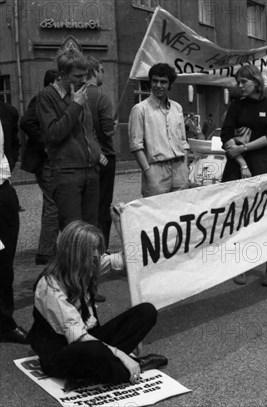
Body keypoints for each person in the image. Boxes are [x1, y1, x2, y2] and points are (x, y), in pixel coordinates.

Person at [27, 221, 167, 389]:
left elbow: (127, 258)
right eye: (91, 250)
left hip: (88, 338)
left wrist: (121, 224)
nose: (96, 255)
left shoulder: (89, 265)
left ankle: (90, 373)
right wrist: (122, 354)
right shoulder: (50, 285)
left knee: (146, 312)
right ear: (74, 253)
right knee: (95, 350)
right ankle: (129, 368)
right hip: (61, 352)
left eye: (97, 249)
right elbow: (78, 337)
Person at [220, 65, 267, 287]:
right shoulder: (236, 106)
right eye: (238, 82)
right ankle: (240, 266)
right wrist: (240, 156)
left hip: (262, 165)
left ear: (256, 82)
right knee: (238, 216)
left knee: (264, 215)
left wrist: (244, 145)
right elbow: (226, 135)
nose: (240, 86)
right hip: (237, 166)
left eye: (243, 82)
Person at [37, 48, 103, 230]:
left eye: (85, 75)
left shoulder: (80, 92)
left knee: (91, 229)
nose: (83, 80)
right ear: (62, 74)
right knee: (73, 230)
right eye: (77, 76)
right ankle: (73, 260)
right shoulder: (47, 96)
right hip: (67, 172)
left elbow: (88, 130)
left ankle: (91, 259)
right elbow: (53, 134)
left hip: (91, 170)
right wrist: (75, 106)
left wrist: (97, 151)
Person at [129, 63, 189, 198]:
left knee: (179, 210)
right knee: (156, 214)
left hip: (179, 167)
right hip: (156, 169)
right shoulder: (140, 110)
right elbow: (135, 145)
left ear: (170, 85)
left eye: (163, 82)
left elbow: (183, 141)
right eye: (155, 81)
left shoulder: (177, 108)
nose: (158, 85)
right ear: (150, 82)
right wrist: (148, 171)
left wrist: (185, 167)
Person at [20, 70, 60, 265]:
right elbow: (26, 121)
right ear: (52, 82)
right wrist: (45, 144)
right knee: (53, 203)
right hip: (45, 162)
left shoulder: (47, 100)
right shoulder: (43, 98)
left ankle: (48, 247)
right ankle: (45, 252)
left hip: (46, 162)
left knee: (50, 203)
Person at [0, 118, 28, 344]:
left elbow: (13, 144)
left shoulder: (5, 112)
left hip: (3, 191)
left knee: (4, 262)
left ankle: (4, 323)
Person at [87, 57, 116, 247]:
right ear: (95, 71)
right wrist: (112, 125)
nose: (103, 73)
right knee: (103, 206)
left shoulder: (77, 95)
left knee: (88, 206)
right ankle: (101, 247)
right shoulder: (101, 97)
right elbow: (107, 131)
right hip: (105, 156)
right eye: (102, 70)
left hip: (85, 158)